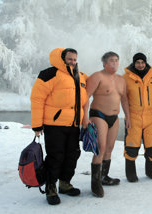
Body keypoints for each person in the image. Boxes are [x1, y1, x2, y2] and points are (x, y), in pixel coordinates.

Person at [30, 48, 88, 205]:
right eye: (69, 59)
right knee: (56, 157)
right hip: (54, 125)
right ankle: (51, 188)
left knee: (72, 155)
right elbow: (37, 99)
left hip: (73, 125)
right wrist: (37, 125)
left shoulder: (80, 76)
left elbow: (86, 98)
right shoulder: (49, 74)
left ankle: (65, 184)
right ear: (62, 59)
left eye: (75, 59)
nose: (73, 62)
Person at [83, 51, 131, 197]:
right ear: (104, 63)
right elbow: (86, 97)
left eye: (116, 60)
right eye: (111, 60)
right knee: (101, 147)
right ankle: (95, 184)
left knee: (109, 148)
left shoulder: (121, 80)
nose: (114, 63)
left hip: (114, 117)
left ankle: (104, 177)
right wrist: (85, 118)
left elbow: (124, 100)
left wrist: (127, 117)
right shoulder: (97, 76)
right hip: (99, 115)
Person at [123, 53, 152, 182]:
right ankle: (130, 173)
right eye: (138, 62)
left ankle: (150, 171)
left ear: (145, 63)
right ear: (133, 63)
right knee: (132, 147)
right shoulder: (126, 78)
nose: (140, 65)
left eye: (142, 62)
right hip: (133, 117)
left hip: (151, 118)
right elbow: (122, 98)